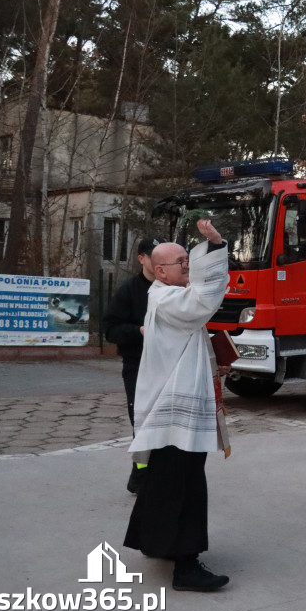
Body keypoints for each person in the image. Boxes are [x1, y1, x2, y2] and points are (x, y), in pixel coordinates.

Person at [124, 219, 231, 592]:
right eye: (183, 262)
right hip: (176, 413)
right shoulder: (169, 298)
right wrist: (215, 248)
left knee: (164, 481)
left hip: (173, 409)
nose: (189, 266)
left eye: (189, 260)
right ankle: (186, 566)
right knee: (185, 486)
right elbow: (205, 298)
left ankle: (153, 540)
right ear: (161, 271)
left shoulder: (166, 295)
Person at [103, 237, 165, 494]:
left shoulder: (175, 289)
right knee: (142, 425)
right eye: (154, 257)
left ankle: (162, 476)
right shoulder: (129, 290)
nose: (160, 263)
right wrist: (140, 330)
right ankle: (140, 474)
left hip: (170, 367)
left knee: (166, 426)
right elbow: (111, 330)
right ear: (142, 258)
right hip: (138, 367)